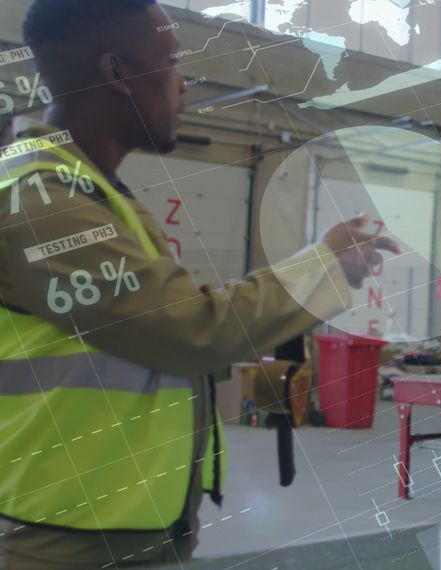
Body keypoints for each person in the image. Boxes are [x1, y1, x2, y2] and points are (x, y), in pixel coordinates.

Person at [0, 1, 399, 567]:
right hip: (68, 538)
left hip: (119, 523)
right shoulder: (44, 201)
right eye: (170, 61)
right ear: (118, 73)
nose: (182, 83)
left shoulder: (89, 191)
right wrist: (325, 265)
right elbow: (189, 329)